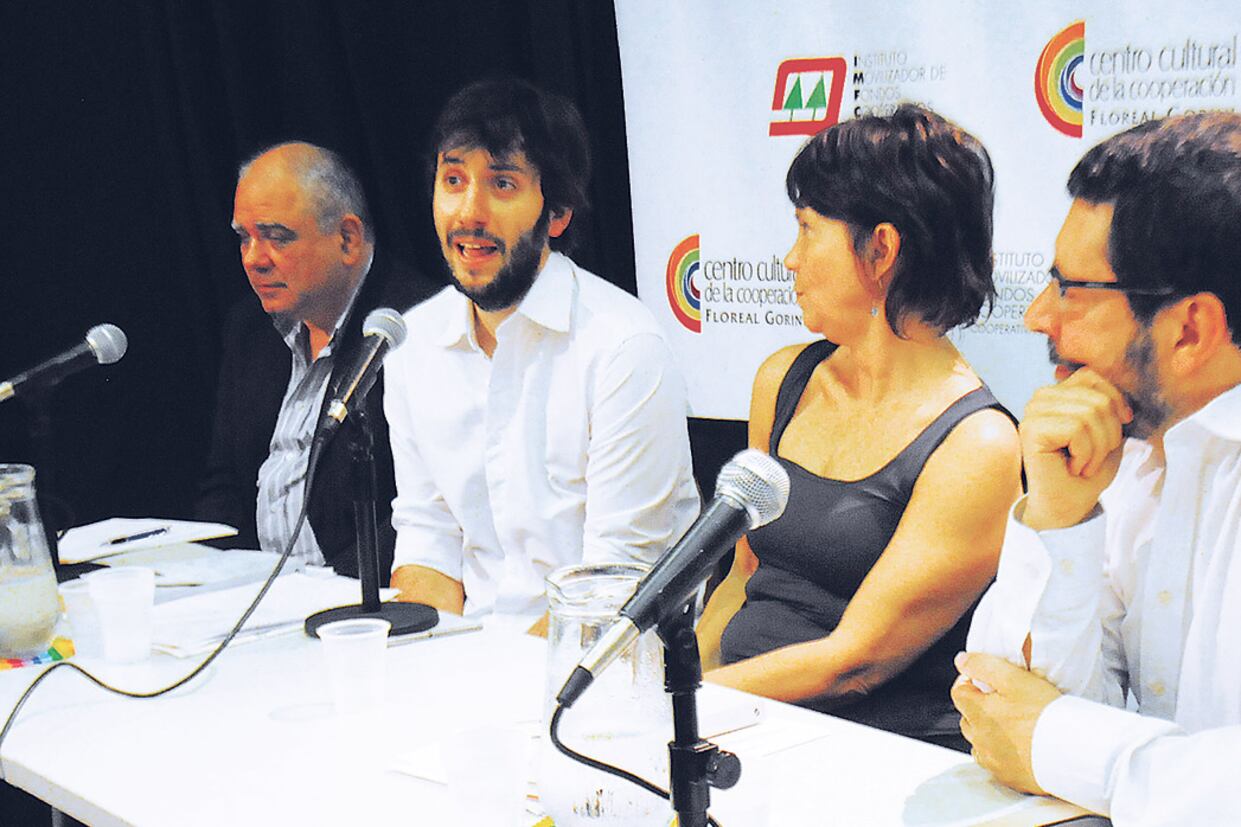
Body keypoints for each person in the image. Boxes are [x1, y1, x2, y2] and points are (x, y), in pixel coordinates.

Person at [696, 104, 1023, 748]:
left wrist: (685, 707)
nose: (789, 259)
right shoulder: (783, 379)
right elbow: (740, 577)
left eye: (806, 230)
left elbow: (855, 661)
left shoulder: (977, 444)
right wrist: (680, 694)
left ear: (881, 249)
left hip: (874, 751)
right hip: (736, 722)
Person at [953, 113, 1241, 825]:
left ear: (1189, 330)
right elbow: (999, 709)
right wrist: (1059, 516)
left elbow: (1040, 734)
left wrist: (1065, 745)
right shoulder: (1133, 448)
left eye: (1068, 289)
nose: (1036, 315)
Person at [383, 78, 699, 630]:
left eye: (502, 184)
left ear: (557, 213)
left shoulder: (623, 348)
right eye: (453, 180)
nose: (469, 213)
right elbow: (427, 539)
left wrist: (498, 673)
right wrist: (427, 664)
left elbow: (614, 582)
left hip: (608, 655)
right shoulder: (413, 342)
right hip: (472, 654)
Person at [195, 141, 433, 580]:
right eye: (244, 238)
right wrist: (212, 579)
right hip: (254, 593)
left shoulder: (419, 326)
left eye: (277, 237)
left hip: (352, 591)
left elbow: (425, 511)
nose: (253, 259)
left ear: (347, 239)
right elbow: (224, 486)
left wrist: (319, 591)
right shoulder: (249, 330)